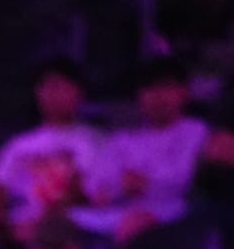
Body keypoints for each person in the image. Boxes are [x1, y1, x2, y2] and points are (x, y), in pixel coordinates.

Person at [77, 57, 234, 239]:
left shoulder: (197, 132)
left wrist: (145, 181)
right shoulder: (124, 138)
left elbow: (185, 177)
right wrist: (117, 187)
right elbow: (95, 182)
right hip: (119, 210)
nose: (157, 95)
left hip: (174, 212)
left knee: (134, 224)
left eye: (165, 86)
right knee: (62, 221)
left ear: (184, 92)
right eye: (149, 88)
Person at [0, 59, 100, 241]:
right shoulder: (18, 144)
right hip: (19, 219)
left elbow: (81, 191)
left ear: (78, 93)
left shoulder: (92, 140)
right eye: (48, 87)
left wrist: (41, 219)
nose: (54, 94)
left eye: (62, 87)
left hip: (68, 220)